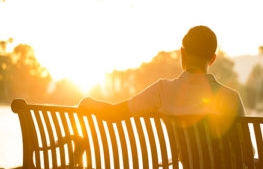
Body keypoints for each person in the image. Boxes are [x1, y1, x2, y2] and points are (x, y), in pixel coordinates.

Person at [79, 25, 245, 118]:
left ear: (182, 53)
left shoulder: (161, 91)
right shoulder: (230, 97)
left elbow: (116, 113)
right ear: (213, 59)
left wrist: (90, 102)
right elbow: (246, 152)